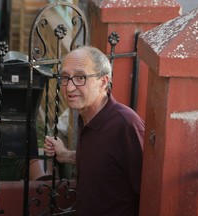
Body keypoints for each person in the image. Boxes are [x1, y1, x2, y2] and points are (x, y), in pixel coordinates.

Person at [44, 46, 144, 216]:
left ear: (103, 82)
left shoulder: (126, 125)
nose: (69, 88)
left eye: (80, 78)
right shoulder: (85, 115)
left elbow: (147, 190)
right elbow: (105, 161)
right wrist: (65, 155)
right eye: (65, 78)